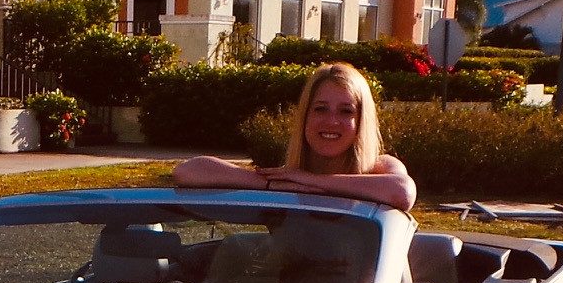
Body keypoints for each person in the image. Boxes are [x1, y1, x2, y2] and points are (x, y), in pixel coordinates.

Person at [173, 63, 416, 210]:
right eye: (320, 109)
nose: (332, 121)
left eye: (346, 111)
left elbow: (402, 192)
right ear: (305, 116)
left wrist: (311, 181)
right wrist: (271, 184)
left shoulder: (380, 168)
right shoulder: (285, 178)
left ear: (360, 121)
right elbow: (188, 171)